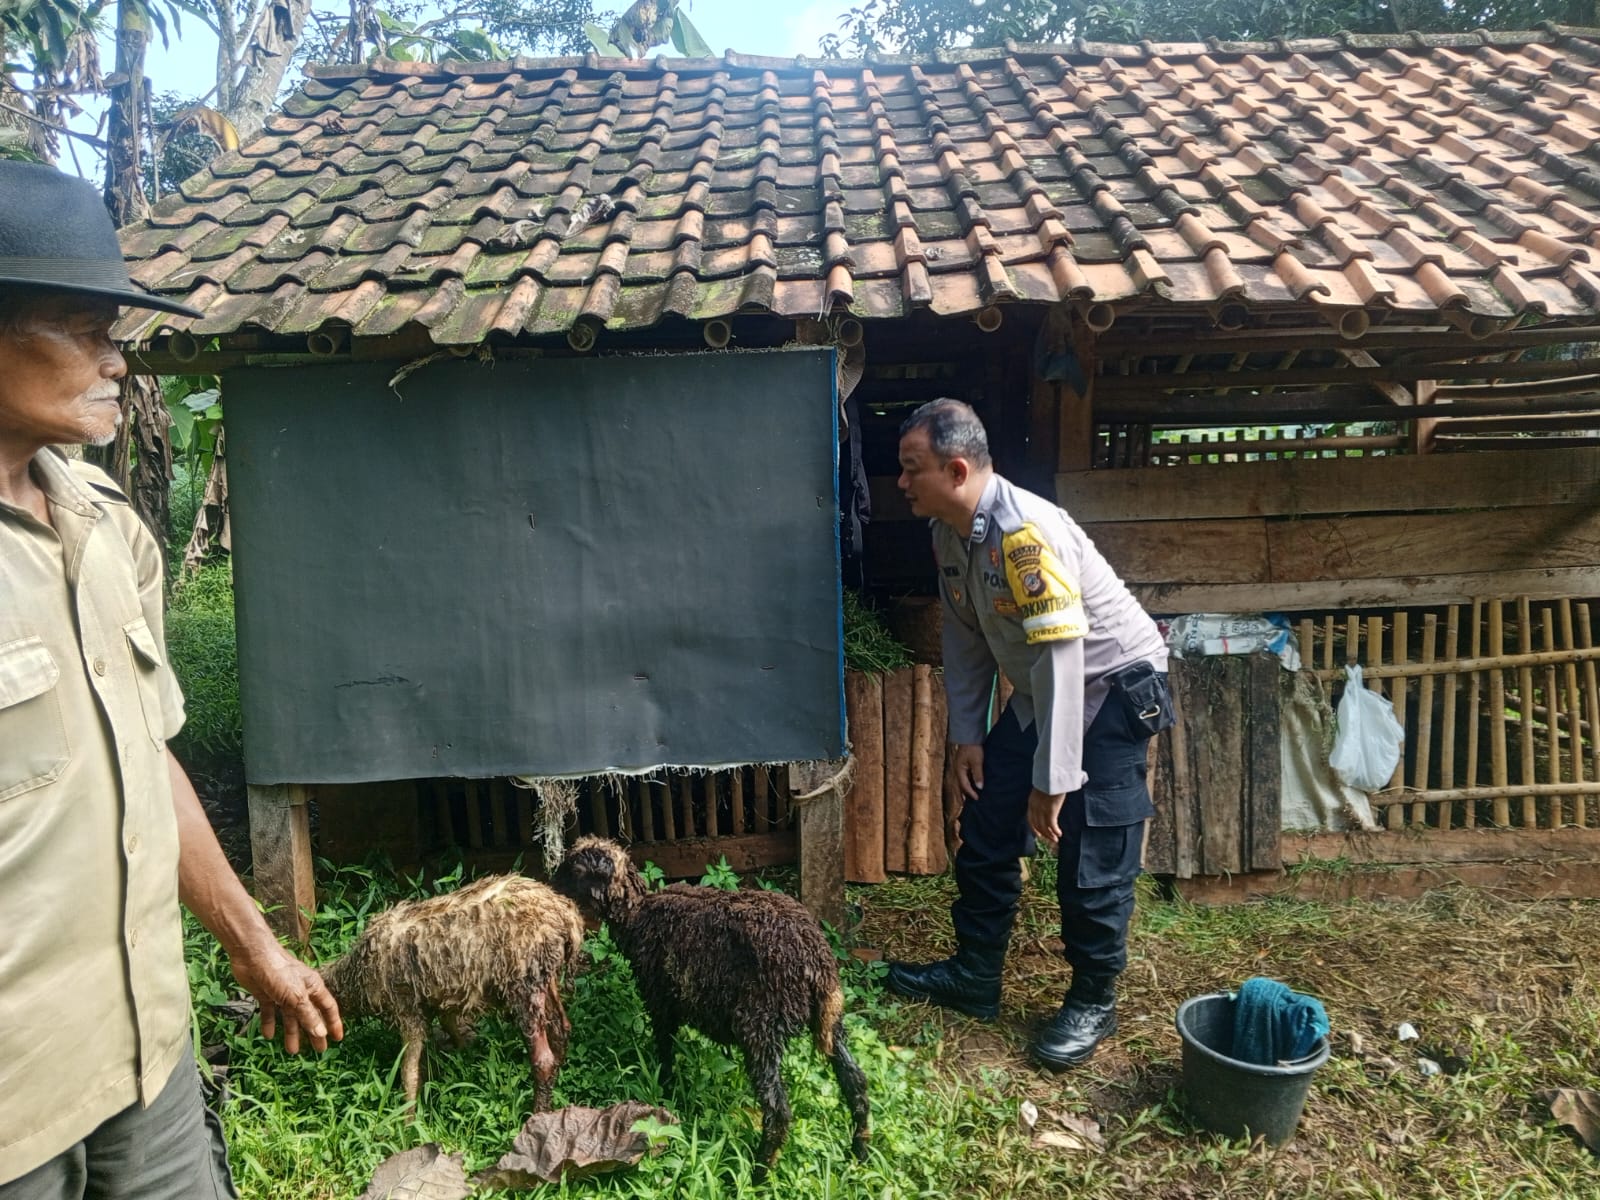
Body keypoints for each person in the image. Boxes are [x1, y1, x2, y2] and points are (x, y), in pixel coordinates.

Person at [0, 160, 343, 1198]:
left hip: (146, 1055)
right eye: (83, 330)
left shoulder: (106, 527)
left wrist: (251, 942)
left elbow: (144, 752)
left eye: (115, 330)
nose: (118, 359)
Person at [884, 397, 1173, 1069]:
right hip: (1045, 690)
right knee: (987, 819)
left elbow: (1065, 654)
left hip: (1111, 685)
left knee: (1090, 852)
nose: (901, 482)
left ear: (957, 470)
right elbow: (966, 637)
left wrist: (1055, 777)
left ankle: (1093, 1000)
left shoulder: (1024, 534)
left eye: (912, 468)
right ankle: (975, 974)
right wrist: (969, 736)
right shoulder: (949, 535)